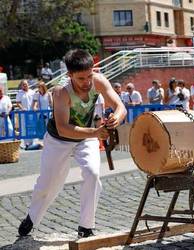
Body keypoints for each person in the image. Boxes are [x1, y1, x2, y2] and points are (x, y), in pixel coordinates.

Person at [18, 49, 126, 238]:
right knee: (48, 184)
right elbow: (63, 128)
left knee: (92, 174)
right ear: (69, 75)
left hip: (86, 138)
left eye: (89, 76)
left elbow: (120, 106)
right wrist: (95, 132)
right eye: (81, 79)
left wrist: (116, 118)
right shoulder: (60, 92)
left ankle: (86, 226)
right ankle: (32, 218)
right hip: (58, 140)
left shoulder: (98, 81)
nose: (87, 83)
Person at [16, 79, 35, 148]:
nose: (25, 85)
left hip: (31, 113)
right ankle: (26, 143)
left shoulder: (32, 92)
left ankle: (32, 142)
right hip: (23, 113)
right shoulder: (19, 93)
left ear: (28, 84)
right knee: (24, 127)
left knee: (32, 127)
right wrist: (22, 108)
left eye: (26, 84)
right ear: (21, 86)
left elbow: (35, 101)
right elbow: (18, 102)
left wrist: (34, 107)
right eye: (23, 84)